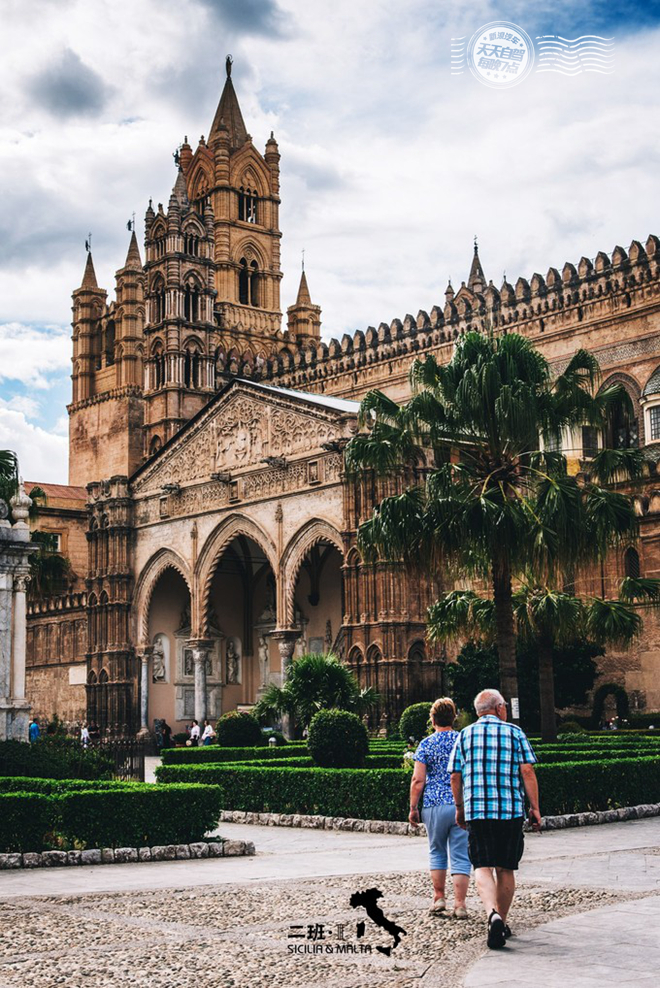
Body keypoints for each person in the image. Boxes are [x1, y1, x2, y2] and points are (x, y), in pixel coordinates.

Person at [448, 688, 541, 950]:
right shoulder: (515, 733)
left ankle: (492, 915)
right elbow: (527, 771)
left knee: (482, 866)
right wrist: (534, 807)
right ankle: (504, 919)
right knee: (505, 868)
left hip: (478, 811)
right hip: (510, 812)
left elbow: (455, 776)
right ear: (499, 708)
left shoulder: (465, 735)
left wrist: (459, 807)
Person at [409, 697, 471, 918]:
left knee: (437, 852)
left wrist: (413, 807)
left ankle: (439, 899)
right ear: (453, 718)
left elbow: (418, 780)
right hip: (459, 803)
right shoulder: (463, 740)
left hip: (433, 805)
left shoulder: (426, 744)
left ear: (432, 719)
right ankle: (461, 904)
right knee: (461, 855)